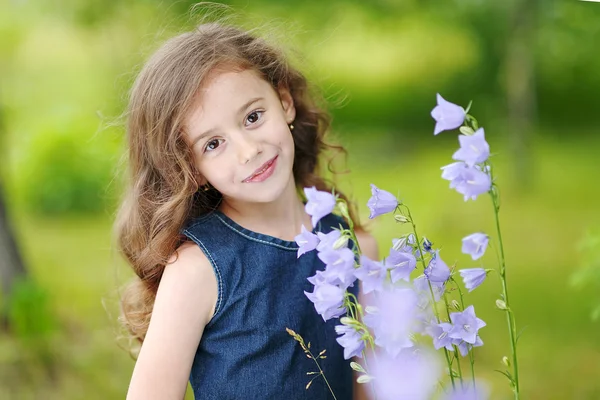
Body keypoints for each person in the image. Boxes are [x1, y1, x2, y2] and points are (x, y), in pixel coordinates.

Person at [115, 21, 378, 400]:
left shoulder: (354, 248)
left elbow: (373, 386)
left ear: (284, 101)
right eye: (214, 144)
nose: (247, 150)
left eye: (253, 117)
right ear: (191, 169)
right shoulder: (197, 270)